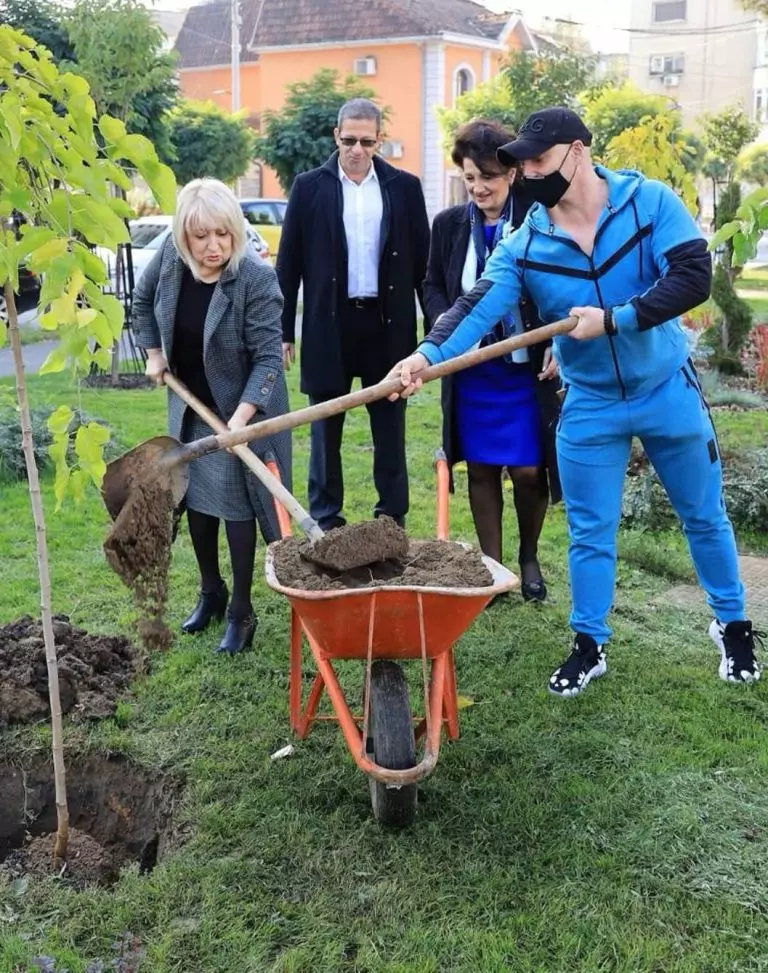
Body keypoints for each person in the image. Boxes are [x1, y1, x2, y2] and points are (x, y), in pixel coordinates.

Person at [388, 106, 760, 695]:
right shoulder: (526, 242)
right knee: (590, 530)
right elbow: (475, 307)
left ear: (578, 151)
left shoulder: (647, 202)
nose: (530, 173)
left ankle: (733, 627)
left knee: (703, 515)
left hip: (667, 389)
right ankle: (589, 643)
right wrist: (425, 356)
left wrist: (613, 319)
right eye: (524, 164)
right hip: (590, 402)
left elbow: (692, 276)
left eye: (539, 159)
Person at [133, 178, 291, 656]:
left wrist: (241, 420)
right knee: (198, 505)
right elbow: (141, 302)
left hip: (242, 411)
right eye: (201, 236)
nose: (213, 246)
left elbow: (269, 359)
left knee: (237, 508)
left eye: (223, 233)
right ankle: (211, 592)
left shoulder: (255, 279)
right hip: (191, 408)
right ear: (184, 235)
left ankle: (242, 610)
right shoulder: (171, 260)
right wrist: (153, 352)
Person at [277, 98, 430, 530]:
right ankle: (327, 519)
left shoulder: (405, 187)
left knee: (390, 425)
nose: (357, 149)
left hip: (388, 325)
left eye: (366, 141)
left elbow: (423, 267)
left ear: (379, 140)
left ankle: (391, 517)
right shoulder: (308, 187)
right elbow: (288, 266)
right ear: (336, 136)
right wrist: (283, 331)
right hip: (329, 325)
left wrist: (436, 335)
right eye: (349, 141)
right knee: (325, 426)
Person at [424, 120, 561, 601]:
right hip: (472, 371)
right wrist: (448, 329)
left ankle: (528, 557)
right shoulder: (447, 225)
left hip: (524, 370)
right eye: (469, 178)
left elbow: (557, 286)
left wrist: (554, 340)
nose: (478, 187)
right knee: (481, 468)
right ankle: (494, 568)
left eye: (488, 177)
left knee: (527, 469)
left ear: (511, 174)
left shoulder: (539, 221)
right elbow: (432, 285)